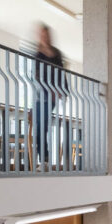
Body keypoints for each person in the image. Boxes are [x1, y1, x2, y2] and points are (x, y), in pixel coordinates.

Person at [33, 23, 64, 170]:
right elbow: (36, 75)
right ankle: (44, 159)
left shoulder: (56, 53)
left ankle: (44, 160)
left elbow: (61, 72)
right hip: (41, 94)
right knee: (40, 127)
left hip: (51, 94)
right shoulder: (37, 53)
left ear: (49, 36)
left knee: (43, 126)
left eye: (46, 34)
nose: (44, 37)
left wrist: (62, 90)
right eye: (41, 34)